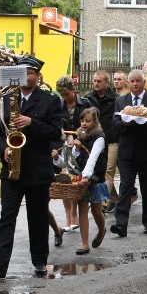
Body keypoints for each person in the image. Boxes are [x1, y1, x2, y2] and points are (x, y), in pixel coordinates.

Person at [0, 56, 62, 278]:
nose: (25, 76)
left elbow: (55, 133)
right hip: (11, 169)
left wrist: (32, 123)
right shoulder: (6, 99)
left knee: (37, 217)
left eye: (30, 72)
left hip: (37, 168)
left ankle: (39, 260)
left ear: (38, 76)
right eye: (21, 72)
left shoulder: (50, 100)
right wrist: (3, 149)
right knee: (7, 216)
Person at [110, 69, 147, 236]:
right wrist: (124, 124)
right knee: (125, 186)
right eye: (132, 81)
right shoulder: (121, 101)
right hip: (127, 152)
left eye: (138, 81)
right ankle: (121, 225)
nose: (135, 84)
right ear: (128, 83)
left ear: (144, 83)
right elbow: (115, 124)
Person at [71, 108, 109, 255]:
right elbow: (76, 156)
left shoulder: (99, 137)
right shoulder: (80, 135)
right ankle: (85, 244)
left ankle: (101, 230)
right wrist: (76, 148)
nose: (84, 123)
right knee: (82, 208)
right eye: (82, 121)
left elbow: (93, 158)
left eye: (87, 121)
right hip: (82, 177)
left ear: (95, 122)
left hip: (95, 177)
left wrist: (87, 176)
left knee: (96, 210)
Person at [55, 76, 88, 235]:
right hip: (64, 147)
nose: (64, 97)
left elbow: (91, 124)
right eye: (61, 94)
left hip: (79, 147)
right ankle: (68, 217)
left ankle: (74, 216)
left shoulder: (85, 103)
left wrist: (78, 138)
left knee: (75, 180)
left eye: (66, 93)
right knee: (64, 182)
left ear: (73, 90)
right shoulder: (59, 105)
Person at [84, 71, 119, 213]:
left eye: (99, 81)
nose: (96, 83)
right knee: (100, 170)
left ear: (106, 83)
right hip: (94, 140)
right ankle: (115, 197)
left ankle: (103, 201)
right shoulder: (88, 98)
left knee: (108, 171)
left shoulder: (116, 99)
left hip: (112, 140)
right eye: (94, 81)